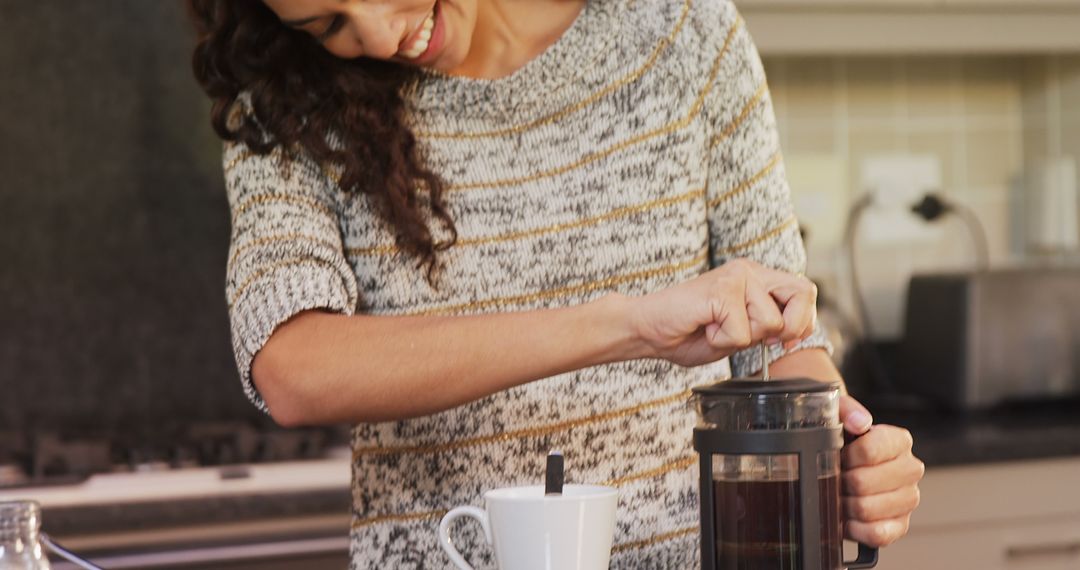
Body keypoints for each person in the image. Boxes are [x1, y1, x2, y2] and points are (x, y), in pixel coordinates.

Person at [188, 0, 924, 566]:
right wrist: (623, 325)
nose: (377, 36)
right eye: (328, 22)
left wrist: (844, 452)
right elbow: (292, 367)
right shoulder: (287, 111)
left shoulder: (680, 37)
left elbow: (783, 340)